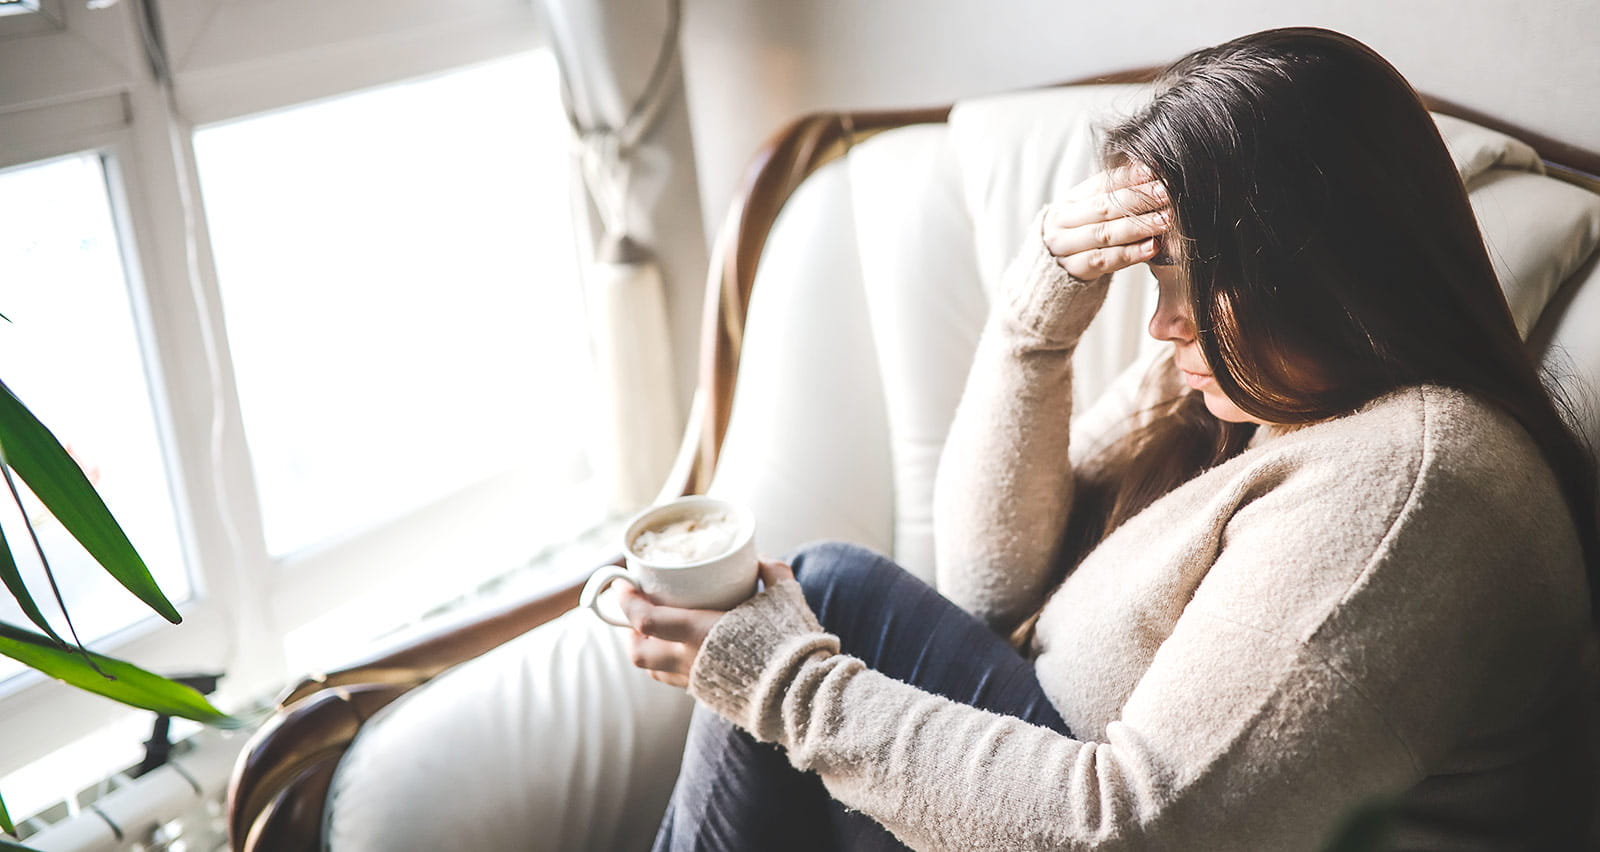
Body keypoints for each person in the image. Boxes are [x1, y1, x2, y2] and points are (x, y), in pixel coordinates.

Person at [615, 26, 1600, 850]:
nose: (1160, 322)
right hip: (1028, 789)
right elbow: (985, 590)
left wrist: (780, 683)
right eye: (1147, 274)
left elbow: (1138, 831)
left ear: (1320, 268)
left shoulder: (1412, 484)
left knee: (825, 595)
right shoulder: (1257, 397)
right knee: (825, 596)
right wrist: (1033, 323)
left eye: (1185, 271)